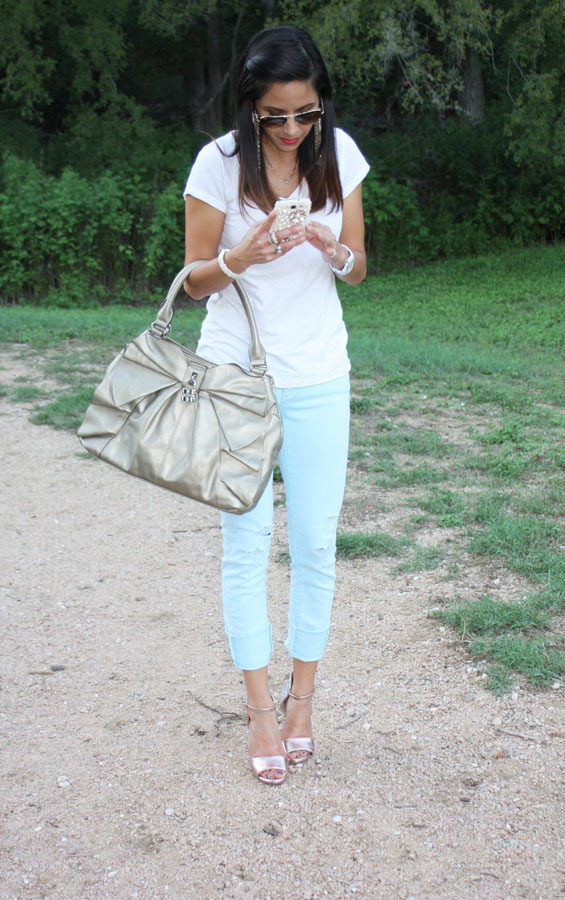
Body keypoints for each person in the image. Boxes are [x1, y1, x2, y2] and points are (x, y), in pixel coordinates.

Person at [183, 24, 369, 785]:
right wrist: (241, 256)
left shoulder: (339, 154)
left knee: (316, 544)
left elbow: (359, 270)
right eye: (275, 116)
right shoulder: (218, 164)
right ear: (249, 108)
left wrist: (332, 249)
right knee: (247, 543)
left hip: (321, 374)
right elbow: (192, 279)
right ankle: (259, 708)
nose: (293, 129)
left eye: (306, 113)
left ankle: (303, 701)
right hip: (237, 376)